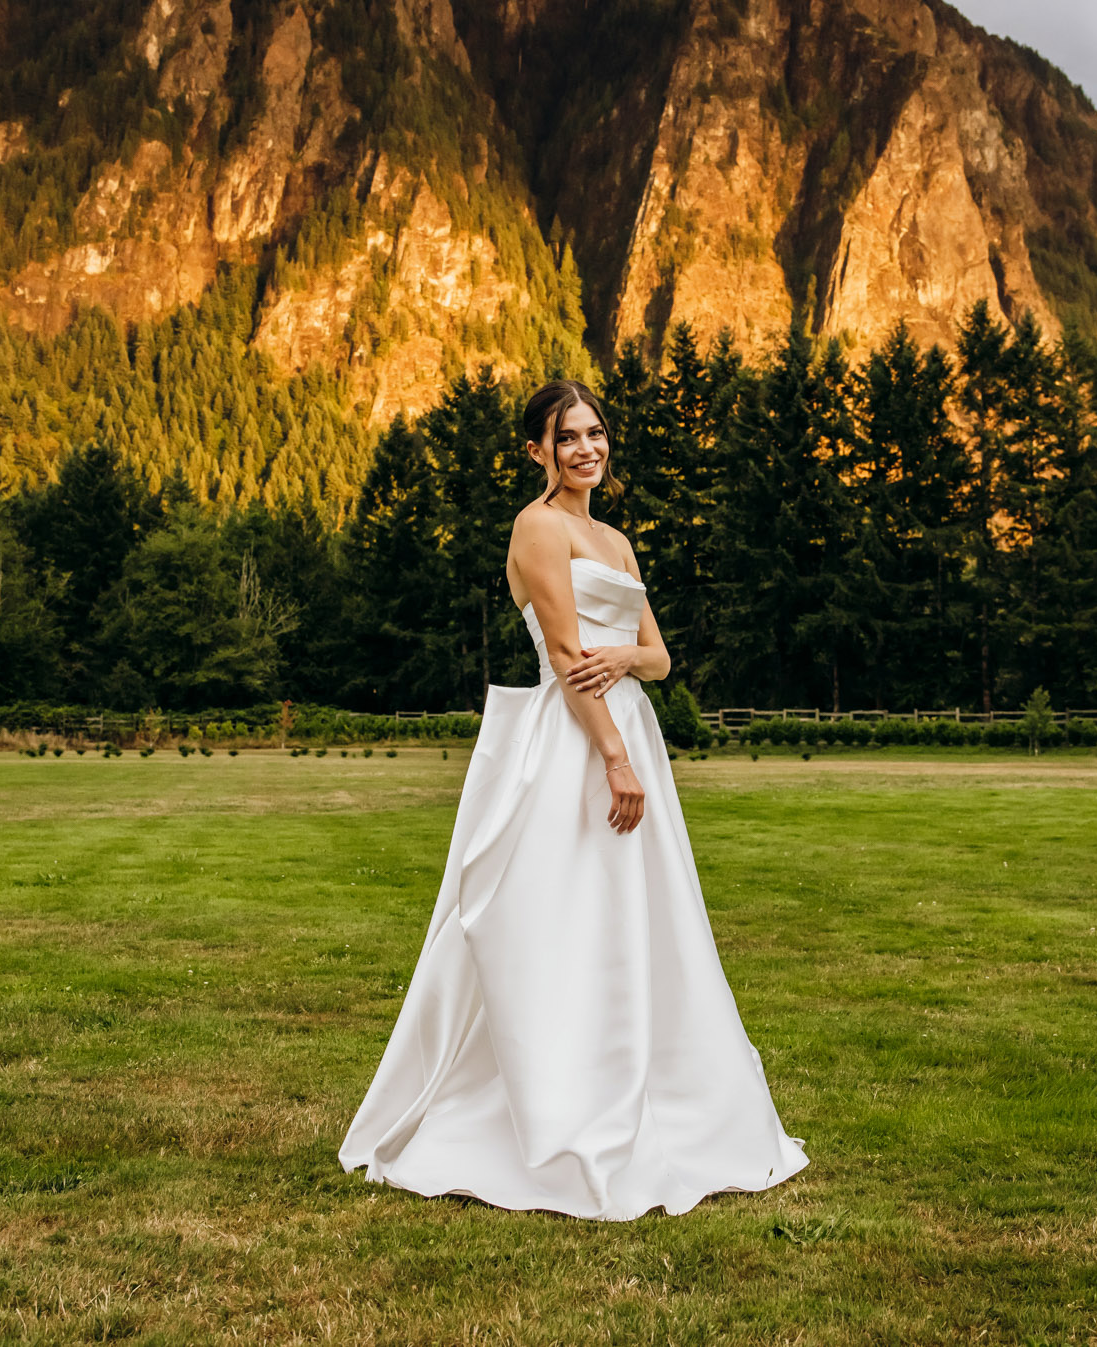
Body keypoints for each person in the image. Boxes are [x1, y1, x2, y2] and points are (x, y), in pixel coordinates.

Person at [339, 378, 807, 1219]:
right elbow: (564, 654)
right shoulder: (538, 527)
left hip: (630, 727)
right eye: (567, 438)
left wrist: (626, 665)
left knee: (644, 915)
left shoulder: (617, 540)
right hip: (580, 742)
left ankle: (658, 1083)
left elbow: (657, 656)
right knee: (564, 914)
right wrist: (614, 757)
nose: (585, 448)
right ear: (538, 451)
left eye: (594, 433)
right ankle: (554, 1097)